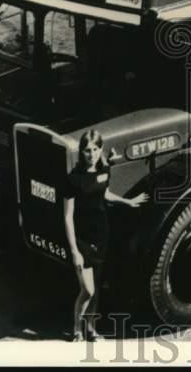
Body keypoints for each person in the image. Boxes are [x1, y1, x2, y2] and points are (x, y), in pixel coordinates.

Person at [63, 129, 148, 342]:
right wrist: (74, 251)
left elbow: (105, 194)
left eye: (94, 149)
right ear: (81, 152)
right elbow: (67, 217)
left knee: (97, 289)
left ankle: (91, 329)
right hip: (82, 240)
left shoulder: (104, 171)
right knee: (88, 290)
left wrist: (128, 201)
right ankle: (76, 329)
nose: (91, 154)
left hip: (102, 235)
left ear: (100, 149)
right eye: (86, 150)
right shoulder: (73, 179)